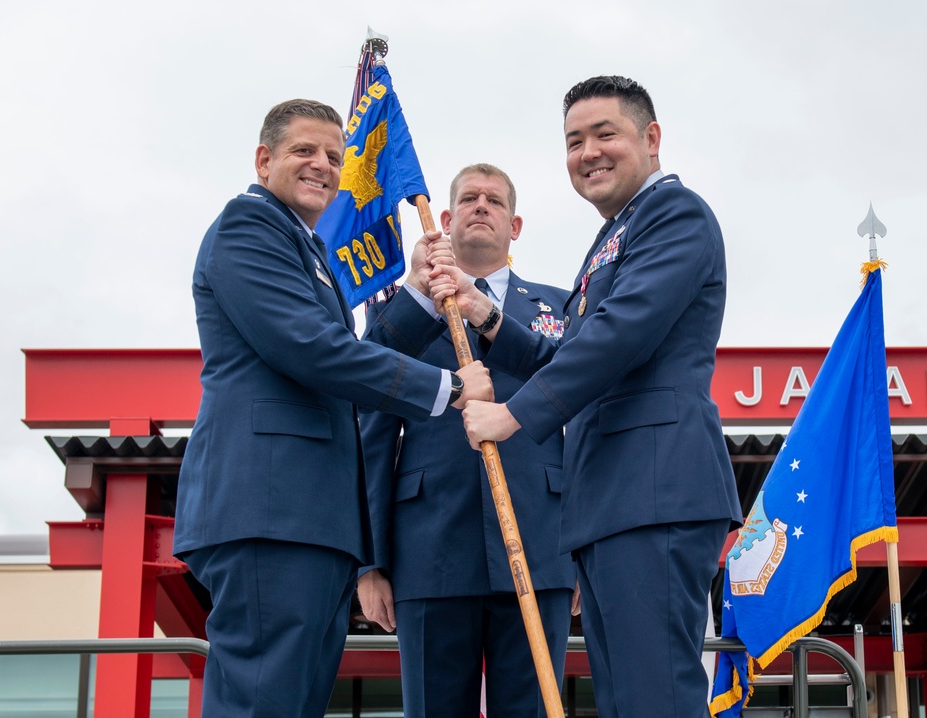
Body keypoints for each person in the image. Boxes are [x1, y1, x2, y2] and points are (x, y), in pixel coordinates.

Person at [172, 98, 492, 718]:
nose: (322, 165)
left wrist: (420, 294)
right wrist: (450, 389)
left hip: (309, 520)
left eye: (333, 157)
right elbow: (312, 351)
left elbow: (346, 351)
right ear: (264, 160)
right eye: (303, 151)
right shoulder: (248, 227)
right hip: (269, 511)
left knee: (293, 701)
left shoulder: (306, 247)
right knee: (263, 700)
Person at [442, 77, 743, 717]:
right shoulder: (615, 234)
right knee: (625, 701)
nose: (588, 152)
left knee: (654, 696)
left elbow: (620, 333)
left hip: (654, 490)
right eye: (574, 141)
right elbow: (577, 351)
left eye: (605, 134)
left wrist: (514, 414)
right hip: (611, 500)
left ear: (651, 138)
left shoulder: (675, 214)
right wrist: (488, 319)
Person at [357, 164, 575, 718]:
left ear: (515, 225)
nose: (482, 206)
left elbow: (584, 423)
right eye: (469, 199)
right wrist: (370, 562)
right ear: (446, 220)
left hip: (541, 544)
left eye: (495, 200)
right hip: (429, 549)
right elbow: (372, 425)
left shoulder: (559, 307)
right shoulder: (402, 309)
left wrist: (581, 553)